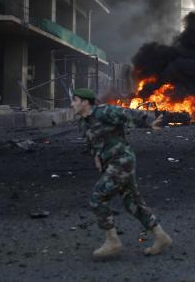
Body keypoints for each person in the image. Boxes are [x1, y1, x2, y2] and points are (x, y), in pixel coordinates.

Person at [71, 88, 172, 258]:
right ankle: (161, 237)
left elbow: (128, 113)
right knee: (132, 203)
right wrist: (96, 156)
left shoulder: (104, 112)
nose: (71, 104)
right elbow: (91, 142)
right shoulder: (82, 121)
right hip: (112, 163)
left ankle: (112, 241)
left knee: (97, 198)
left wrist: (149, 122)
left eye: (75, 100)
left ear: (85, 102)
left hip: (122, 161)